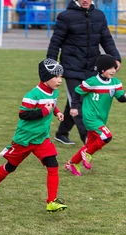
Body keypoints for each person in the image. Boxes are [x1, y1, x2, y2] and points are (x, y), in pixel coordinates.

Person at [0, 59, 67, 213]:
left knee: (53, 164)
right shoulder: (32, 95)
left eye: (61, 77)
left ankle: (51, 201)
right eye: (56, 77)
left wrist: (57, 112)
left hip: (41, 138)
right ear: (45, 77)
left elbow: (51, 104)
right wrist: (44, 112)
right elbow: (23, 114)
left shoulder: (54, 92)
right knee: (10, 167)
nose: (59, 80)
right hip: (25, 139)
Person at [46, 0, 121, 145]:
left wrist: (115, 59)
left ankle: (62, 133)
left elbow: (106, 39)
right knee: (80, 101)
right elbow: (55, 43)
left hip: (92, 67)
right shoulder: (65, 16)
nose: (86, 0)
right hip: (71, 67)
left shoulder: (99, 15)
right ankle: (88, 138)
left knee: (76, 100)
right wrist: (51, 66)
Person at [65, 55, 126, 176]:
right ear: (102, 70)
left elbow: (121, 98)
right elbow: (77, 92)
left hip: (101, 118)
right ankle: (87, 154)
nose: (114, 70)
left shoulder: (116, 83)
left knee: (91, 143)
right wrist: (74, 107)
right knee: (106, 136)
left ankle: (72, 163)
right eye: (110, 68)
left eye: (115, 67)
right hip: (90, 117)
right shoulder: (91, 82)